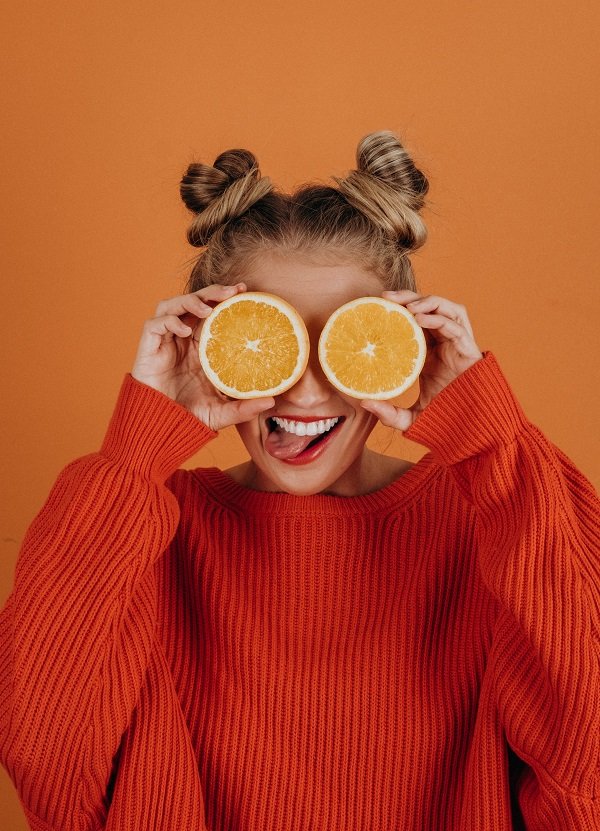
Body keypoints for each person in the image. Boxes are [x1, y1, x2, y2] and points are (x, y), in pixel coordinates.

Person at [0, 131, 598, 831]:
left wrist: (493, 444)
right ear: (206, 344)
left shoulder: (497, 516)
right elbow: (45, 760)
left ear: (405, 344)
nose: (307, 393)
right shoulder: (146, 531)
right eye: (267, 340)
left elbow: (584, 769)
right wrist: (136, 450)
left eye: (347, 341)